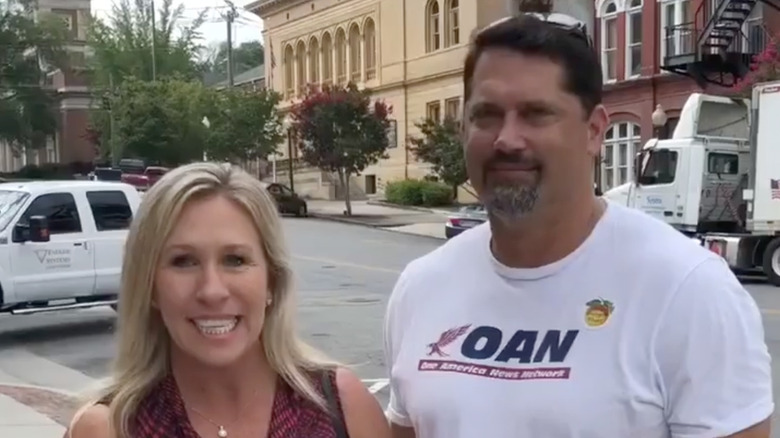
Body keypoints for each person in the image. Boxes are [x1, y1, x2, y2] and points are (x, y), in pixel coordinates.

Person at [384, 13, 772, 438]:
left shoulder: (688, 290)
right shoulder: (421, 288)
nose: (507, 139)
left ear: (594, 130)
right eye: (486, 115)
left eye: (536, 114)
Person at [67, 162, 390, 438]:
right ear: (150, 286)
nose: (212, 290)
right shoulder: (110, 428)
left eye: (235, 260)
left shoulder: (343, 408)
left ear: (271, 280)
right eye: (183, 261)